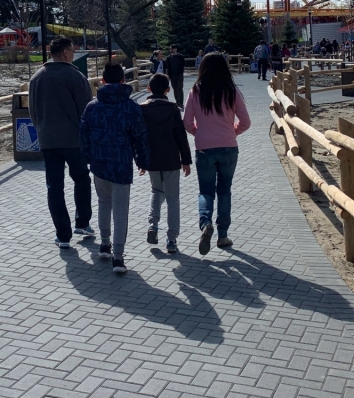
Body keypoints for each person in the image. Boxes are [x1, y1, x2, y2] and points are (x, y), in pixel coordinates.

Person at [80, 62, 150, 273]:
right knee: (121, 209)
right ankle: (118, 257)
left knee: (103, 202)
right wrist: (143, 161)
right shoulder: (130, 107)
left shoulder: (92, 106)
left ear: (102, 81)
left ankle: (104, 243)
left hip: (99, 163)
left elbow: (83, 134)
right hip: (121, 164)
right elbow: (140, 136)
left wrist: (87, 158)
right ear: (123, 80)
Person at [29, 35, 95, 249]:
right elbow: (86, 111)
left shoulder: (37, 78)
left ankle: (63, 234)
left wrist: (42, 129)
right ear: (65, 53)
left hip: (48, 140)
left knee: (54, 187)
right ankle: (82, 222)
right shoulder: (76, 77)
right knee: (82, 179)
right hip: (74, 140)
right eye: (73, 51)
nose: (74, 55)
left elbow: (33, 112)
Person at [183, 53, 251, 254]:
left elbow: (187, 122)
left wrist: (199, 132)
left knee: (206, 191)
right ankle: (222, 235)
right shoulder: (231, 91)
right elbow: (246, 122)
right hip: (229, 147)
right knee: (224, 191)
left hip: (204, 148)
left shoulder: (196, 91)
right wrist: (233, 131)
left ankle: (205, 224)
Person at [139, 73, 192, 254]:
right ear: (168, 90)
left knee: (156, 191)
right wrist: (186, 160)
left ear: (148, 89)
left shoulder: (142, 109)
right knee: (172, 198)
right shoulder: (173, 109)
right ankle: (171, 238)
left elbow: (140, 137)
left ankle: (153, 225)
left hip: (152, 159)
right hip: (171, 159)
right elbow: (180, 136)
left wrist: (140, 160)